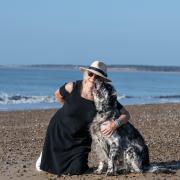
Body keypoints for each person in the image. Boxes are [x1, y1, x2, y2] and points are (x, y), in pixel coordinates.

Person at [36, 60, 130, 175]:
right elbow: (58, 95)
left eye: (98, 77)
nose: (93, 78)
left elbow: (126, 114)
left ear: (102, 81)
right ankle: (45, 156)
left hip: (81, 139)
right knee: (47, 168)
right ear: (87, 74)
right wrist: (69, 111)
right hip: (60, 131)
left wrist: (114, 124)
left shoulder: (105, 98)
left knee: (77, 170)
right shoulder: (72, 86)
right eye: (91, 74)